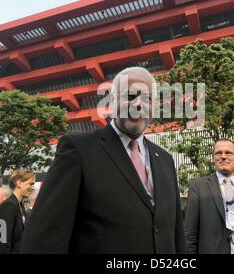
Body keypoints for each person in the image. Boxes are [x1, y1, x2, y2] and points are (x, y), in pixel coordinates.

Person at [21, 67, 185, 254]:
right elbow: (46, 234)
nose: (138, 104)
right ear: (113, 101)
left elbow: (176, 233)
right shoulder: (79, 149)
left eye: (147, 98)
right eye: (130, 96)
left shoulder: (165, 159)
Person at [0, 169, 35, 254]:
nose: (33, 187)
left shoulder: (19, 205)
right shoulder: (8, 206)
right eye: (31, 184)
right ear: (19, 182)